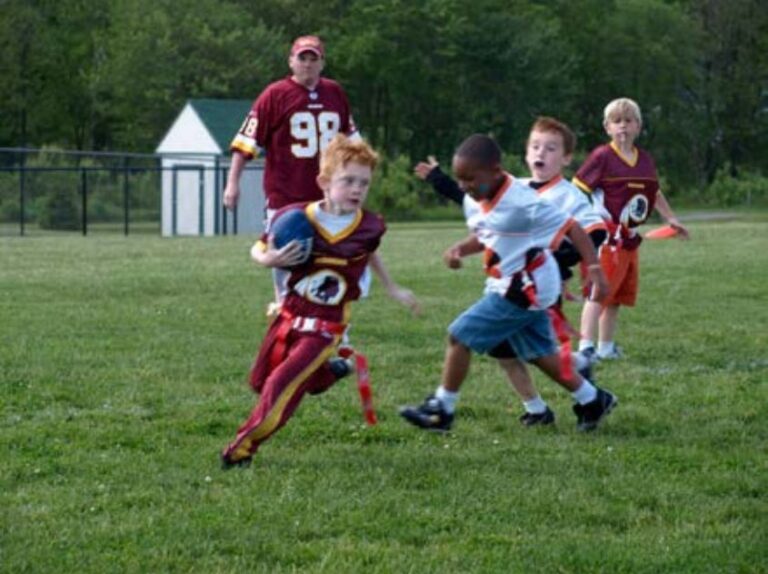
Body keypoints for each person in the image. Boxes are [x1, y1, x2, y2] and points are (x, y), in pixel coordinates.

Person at [221, 135, 418, 469]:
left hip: (328, 324)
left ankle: (241, 449)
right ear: (324, 183)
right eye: (348, 181)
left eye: (364, 183)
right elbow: (259, 246)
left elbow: (369, 251)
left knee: (283, 385)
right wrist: (267, 259)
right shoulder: (296, 217)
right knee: (260, 381)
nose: (357, 189)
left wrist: (392, 287)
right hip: (290, 312)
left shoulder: (369, 225)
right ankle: (330, 372)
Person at [400, 134, 617, 433]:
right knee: (540, 354)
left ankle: (442, 408)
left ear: (496, 170)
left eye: (470, 179)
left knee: (459, 336)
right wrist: (461, 249)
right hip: (512, 283)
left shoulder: (522, 202)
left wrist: (594, 268)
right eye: (459, 179)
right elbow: (490, 233)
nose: (463, 186)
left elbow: (573, 228)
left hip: (525, 288)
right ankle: (592, 399)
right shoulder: (479, 198)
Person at [223, 35, 361, 307]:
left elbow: (353, 143)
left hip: (328, 197)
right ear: (291, 61)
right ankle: (285, 318)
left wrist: (356, 181)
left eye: (314, 58)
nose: (308, 64)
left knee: (328, 265)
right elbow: (246, 143)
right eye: (302, 58)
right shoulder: (274, 95)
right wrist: (232, 183)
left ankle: (327, 326)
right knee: (286, 260)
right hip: (286, 196)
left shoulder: (335, 92)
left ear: (323, 63)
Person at [572, 98, 689, 362]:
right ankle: (586, 348)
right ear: (607, 127)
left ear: (638, 126)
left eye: (628, 121)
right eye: (617, 121)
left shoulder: (645, 160)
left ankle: (606, 346)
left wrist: (671, 218)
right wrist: (590, 224)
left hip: (630, 239)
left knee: (616, 296)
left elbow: (654, 192)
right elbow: (576, 191)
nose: (623, 126)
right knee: (598, 292)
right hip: (607, 239)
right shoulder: (602, 156)